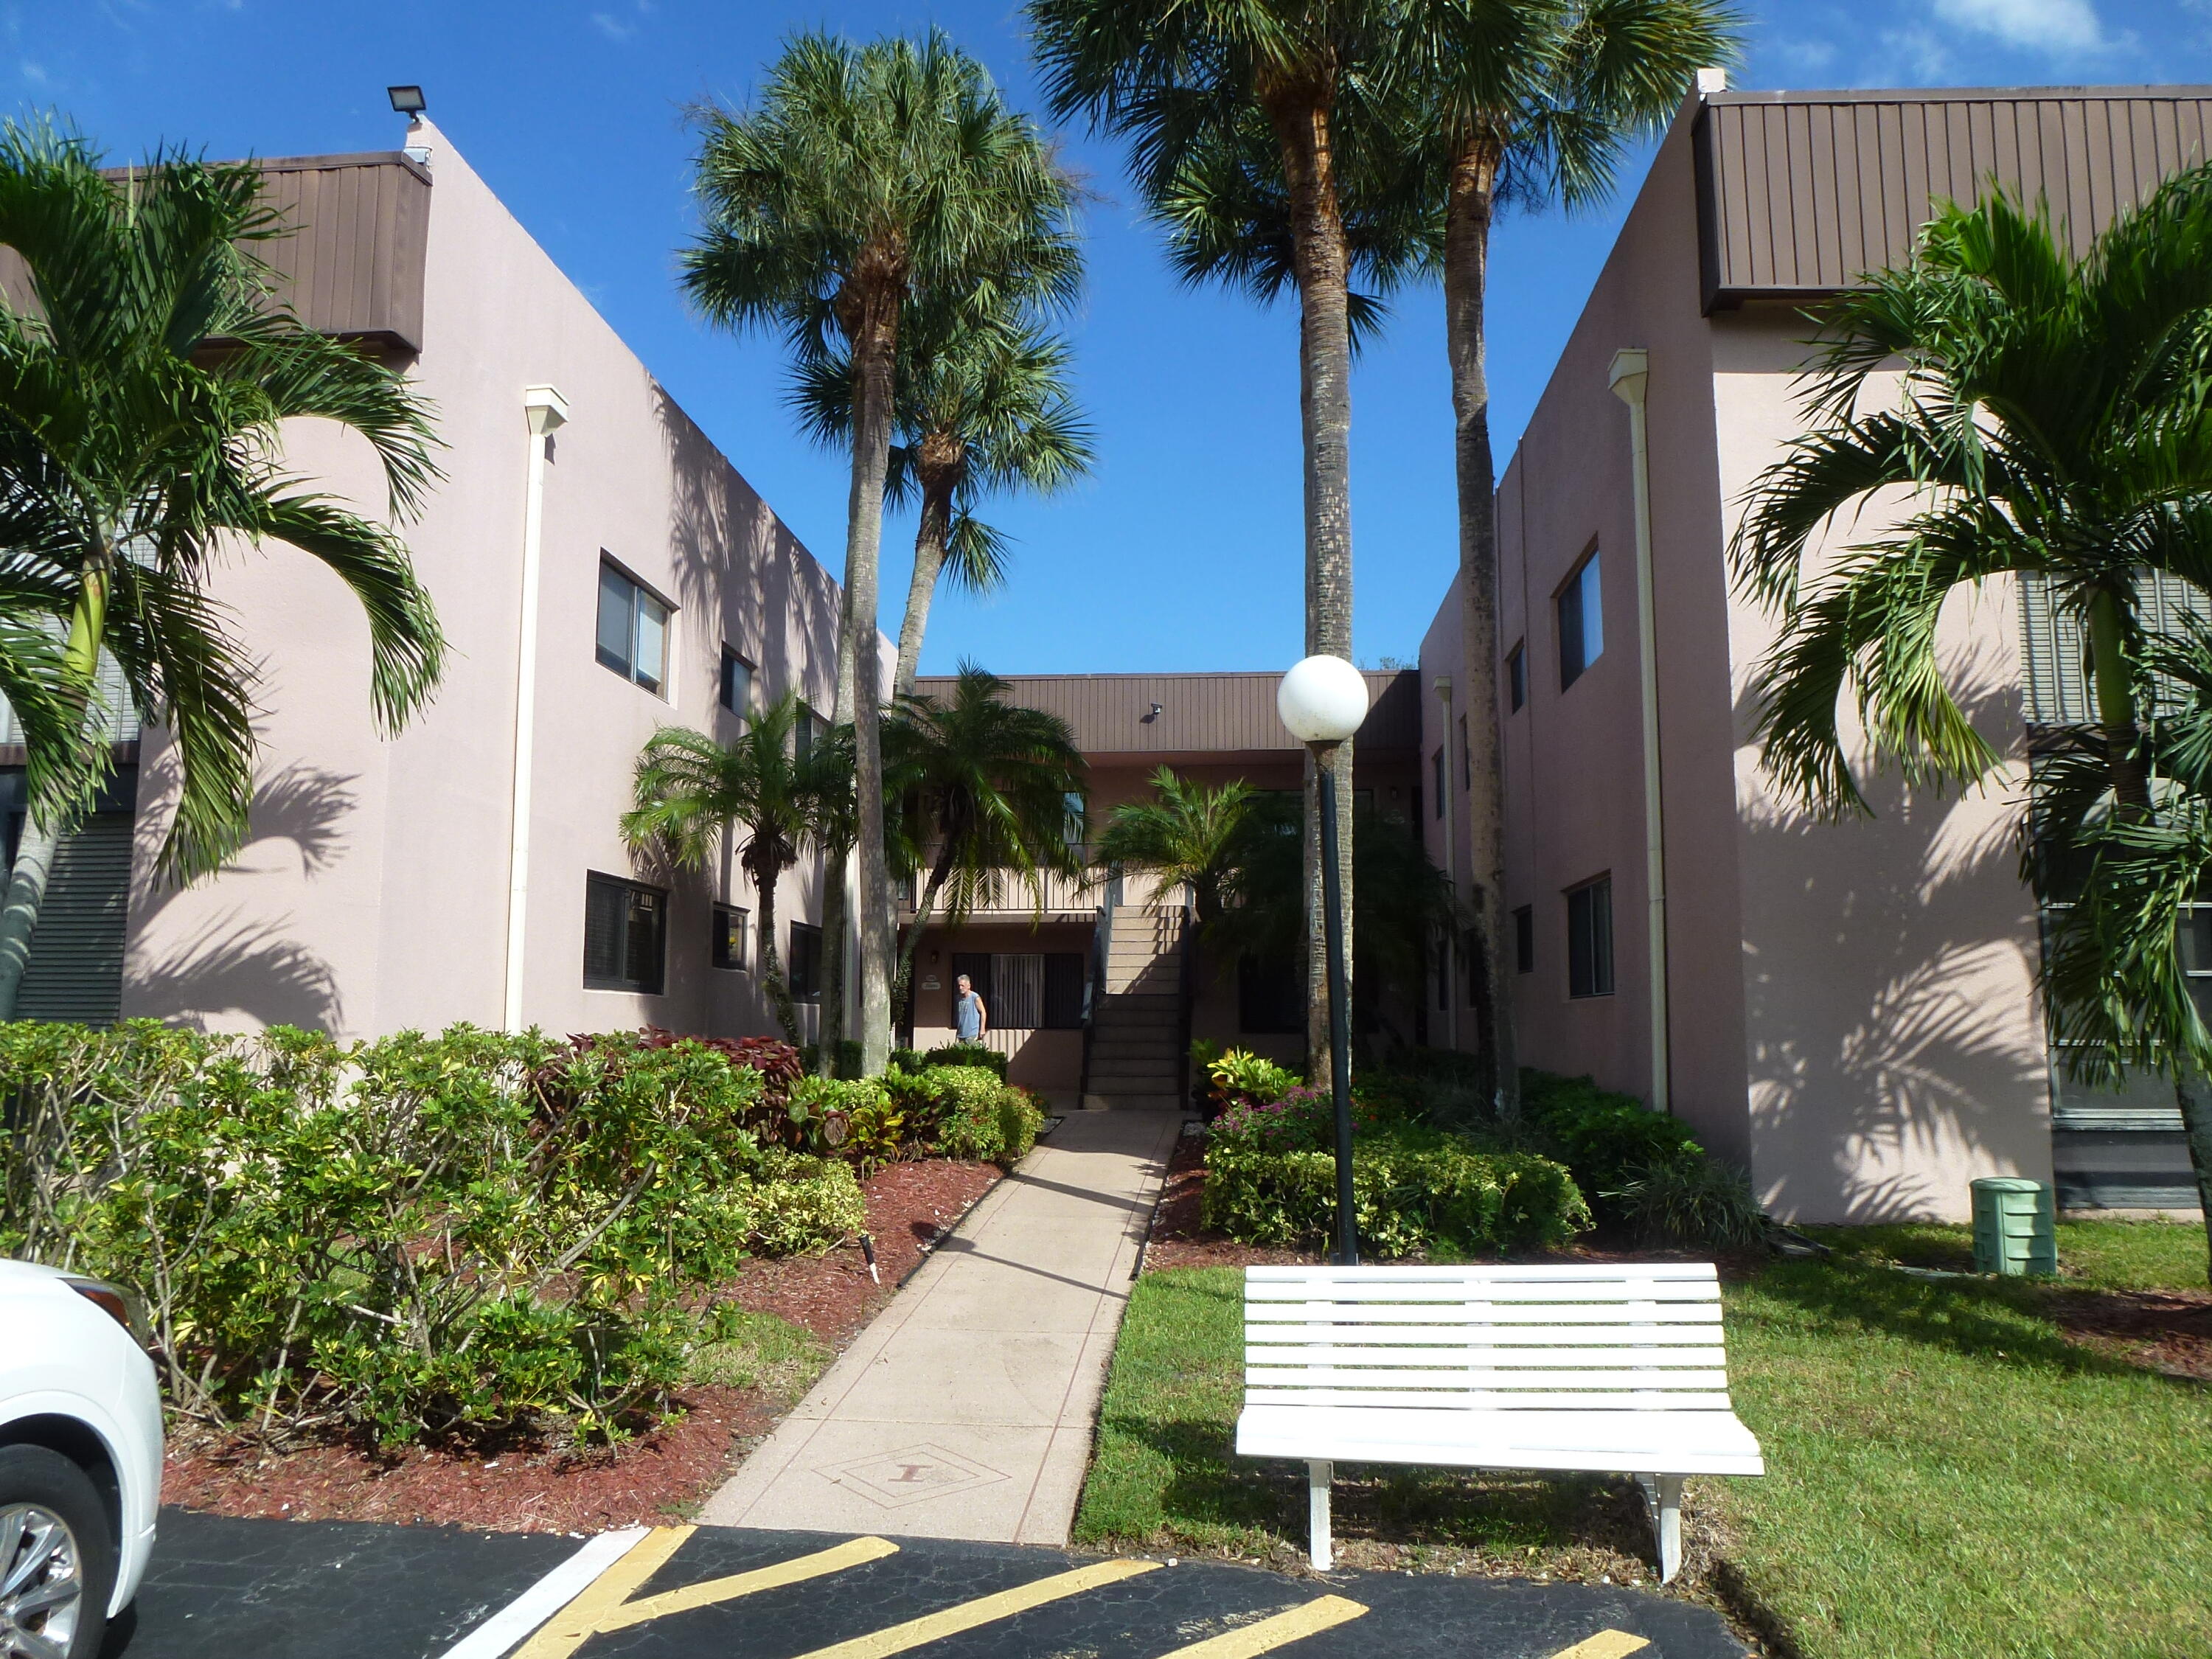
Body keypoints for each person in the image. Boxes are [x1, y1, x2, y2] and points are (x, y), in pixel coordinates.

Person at [953, 973, 987, 1042]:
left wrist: (982, 1028)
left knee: (972, 1052)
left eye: (962, 986)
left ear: (968, 986)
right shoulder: (957, 998)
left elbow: (983, 1012)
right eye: (959, 985)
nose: (960, 988)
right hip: (960, 1033)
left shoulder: (975, 997)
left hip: (972, 1033)